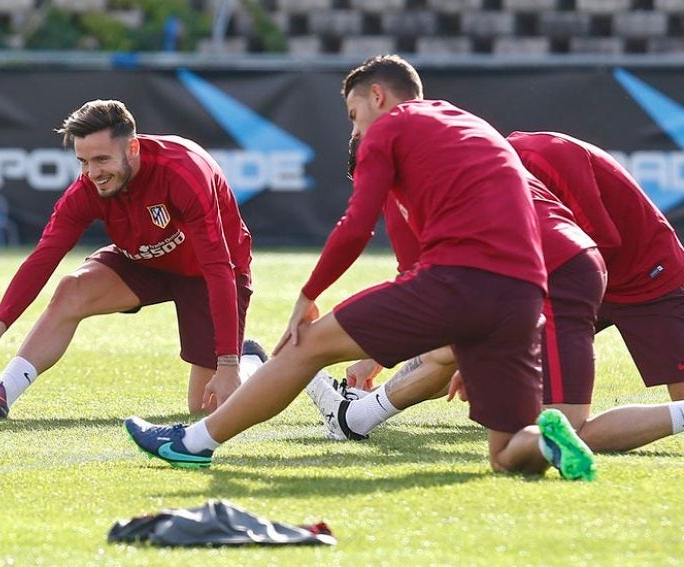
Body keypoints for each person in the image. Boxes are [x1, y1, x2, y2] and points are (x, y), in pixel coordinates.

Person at [125, 55, 596, 480]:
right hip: (524, 295)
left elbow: (355, 226)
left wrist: (308, 295)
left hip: (459, 279)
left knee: (304, 343)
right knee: (507, 451)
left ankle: (193, 443)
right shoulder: (468, 123)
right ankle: (547, 441)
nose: (355, 131)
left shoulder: (390, 127)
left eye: (354, 115)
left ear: (378, 96)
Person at [304, 149, 684, 452]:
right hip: (573, 278)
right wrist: (380, 354)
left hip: (641, 276)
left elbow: (596, 246)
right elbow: (429, 291)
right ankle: (356, 415)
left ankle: (356, 416)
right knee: (454, 348)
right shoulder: (450, 184)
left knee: (565, 433)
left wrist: (496, 348)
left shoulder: (529, 158)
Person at [0, 99, 254, 417]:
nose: (92, 173)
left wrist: (229, 362)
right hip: (145, 261)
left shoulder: (184, 172)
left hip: (208, 273)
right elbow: (44, 257)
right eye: (83, 161)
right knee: (73, 288)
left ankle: (250, 361)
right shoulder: (87, 189)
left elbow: (218, 267)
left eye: (101, 159)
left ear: (133, 148)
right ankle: (2, 393)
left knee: (205, 407)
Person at [507, 131, 684, 400]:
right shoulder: (493, 175)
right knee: (458, 346)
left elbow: (603, 239)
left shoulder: (543, 153)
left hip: (647, 277)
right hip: (578, 277)